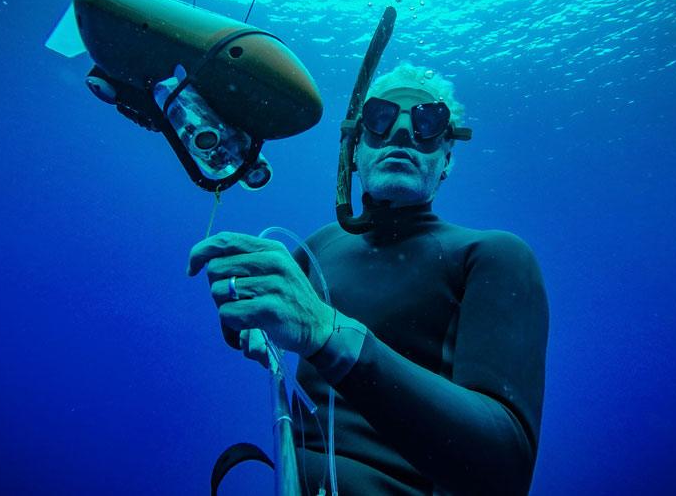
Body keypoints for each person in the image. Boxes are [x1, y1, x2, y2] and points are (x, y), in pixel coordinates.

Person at [187, 63, 548, 495]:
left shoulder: (491, 255)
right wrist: (243, 313)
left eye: (427, 121)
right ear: (355, 149)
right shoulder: (320, 245)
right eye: (380, 116)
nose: (400, 132)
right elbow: (257, 321)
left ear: (447, 157)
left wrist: (327, 332)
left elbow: (505, 470)